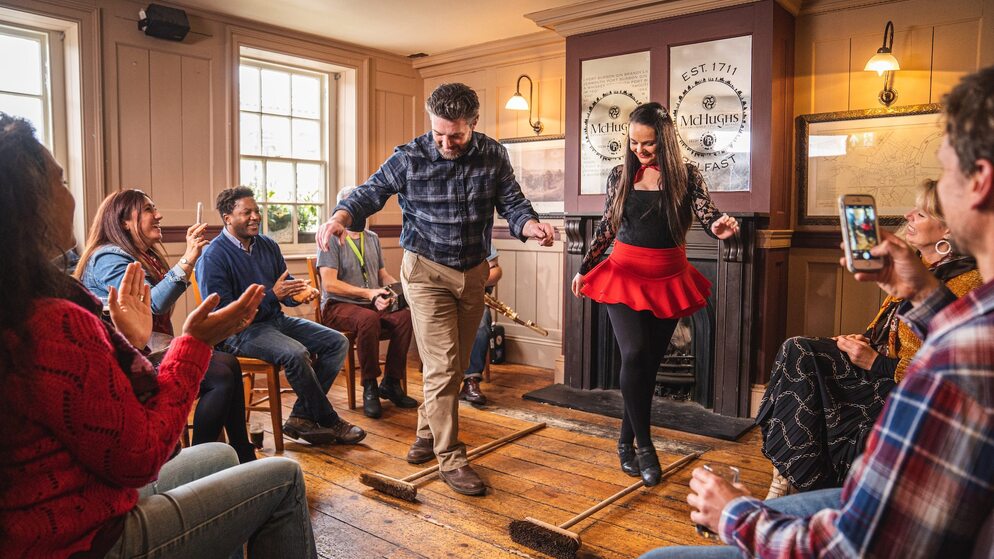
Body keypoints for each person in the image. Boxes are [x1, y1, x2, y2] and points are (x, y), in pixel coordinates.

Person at [640, 66, 994, 559]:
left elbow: (857, 546)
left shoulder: (964, 351)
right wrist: (922, 294)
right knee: (801, 351)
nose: (919, 205)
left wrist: (734, 515)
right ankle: (789, 481)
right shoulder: (975, 317)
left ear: (979, 182)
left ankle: (781, 485)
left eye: (946, 166)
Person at [0, 113, 317, 559]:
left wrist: (131, 338)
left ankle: (239, 448)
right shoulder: (55, 317)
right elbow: (141, 458)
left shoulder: (31, 297)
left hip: (90, 491)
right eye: (62, 181)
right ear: (27, 202)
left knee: (219, 461)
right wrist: (195, 342)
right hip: (85, 539)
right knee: (284, 476)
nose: (72, 196)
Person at [318, 82, 554, 496]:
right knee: (445, 366)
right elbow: (370, 193)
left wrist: (529, 226)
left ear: (474, 124)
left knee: (455, 365)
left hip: (474, 271)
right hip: (425, 271)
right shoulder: (409, 156)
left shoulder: (494, 155)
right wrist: (340, 216)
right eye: (438, 133)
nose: (445, 142)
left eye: (456, 135)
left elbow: (513, 203)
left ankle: (427, 433)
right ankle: (451, 457)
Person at [757, 180, 983, 499]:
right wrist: (861, 340)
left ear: (947, 230)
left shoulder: (969, 282)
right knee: (799, 350)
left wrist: (875, 361)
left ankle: (792, 480)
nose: (909, 216)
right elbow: (889, 329)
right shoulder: (920, 267)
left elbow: (950, 362)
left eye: (921, 214)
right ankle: (789, 474)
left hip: (899, 381)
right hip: (876, 363)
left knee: (808, 369)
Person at [570, 102, 739, 486]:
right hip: (624, 274)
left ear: (664, 141)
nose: (639, 151)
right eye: (633, 143)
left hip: (668, 278)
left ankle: (625, 441)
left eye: (647, 145)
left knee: (648, 364)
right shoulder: (620, 175)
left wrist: (719, 227)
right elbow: (607, 228)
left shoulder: (687, 176)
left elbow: (707, 211)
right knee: (633, 354)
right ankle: (645, 447)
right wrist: (585, 267)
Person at [76, 189, 258, 463]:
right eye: (149, 209)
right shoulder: (108, 257)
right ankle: (203, 461)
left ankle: (239, 452)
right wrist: (187, 259)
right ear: (125, 221)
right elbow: (150, 306)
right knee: (220, 374)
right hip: (124, 360)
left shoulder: (140, 254)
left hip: (146, 347)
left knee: (227, 364)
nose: (159, 215)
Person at [196, 186, 364, 446]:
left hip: (274, 321)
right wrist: (274, 295)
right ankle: (329, 419)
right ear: (227, 218)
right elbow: (224, 314)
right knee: (295, 353)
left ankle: (300, 418)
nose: (255, 217)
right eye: (246, 212)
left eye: (256, 211)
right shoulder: (213, 256)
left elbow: (284, 286)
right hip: (238, 333)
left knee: (337, 342)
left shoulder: (267, 245)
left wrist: (300, 292)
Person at [316, 185, 418, 419]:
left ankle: (391, 382)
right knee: (369, 320)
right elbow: (329, 284)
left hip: (370, 303)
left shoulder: (372, 238)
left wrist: (396, 292)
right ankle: (370, 385)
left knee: (404, 316)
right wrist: (369, 294)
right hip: (338, 306)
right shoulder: (331, 239)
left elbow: (382, 275)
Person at [460, 244, 502, 406]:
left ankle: (471, 380)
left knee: (482, 320)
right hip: (443, 297)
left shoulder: (481, 233)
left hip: (474, 294)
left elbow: (496, 270)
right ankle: (443, 383)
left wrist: (473, 283)